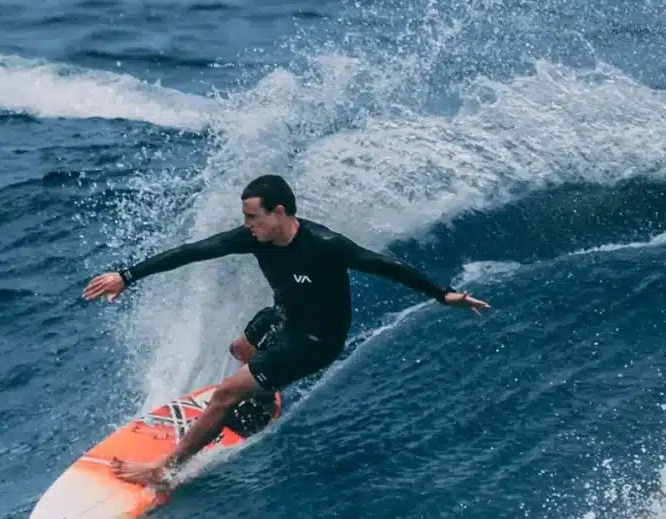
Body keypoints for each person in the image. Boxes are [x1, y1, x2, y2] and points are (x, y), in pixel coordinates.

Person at [82, 174, 490, 487]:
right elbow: (194, 252)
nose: (247, 225)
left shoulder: (324, 245)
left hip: (317, 342)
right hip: (284, 317)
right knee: (240, 347)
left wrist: (443, 294)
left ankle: (163, 471)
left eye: (253, 217)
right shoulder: (256, 239)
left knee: (225, 394)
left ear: (279, 212)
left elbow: (385, 266)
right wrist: (126, 276)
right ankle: (261, 396)